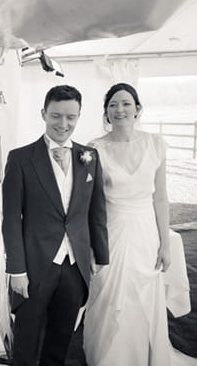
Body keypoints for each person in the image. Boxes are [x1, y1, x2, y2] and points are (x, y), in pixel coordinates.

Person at [83, 83, 195, 365]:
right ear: (106, 113)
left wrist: (165, 244)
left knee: (144, 294)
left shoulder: (155, 144)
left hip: (146, 231)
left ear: (137, 109)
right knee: (108, 294)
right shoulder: (94, 149)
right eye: (113, 105)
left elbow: (160, 197)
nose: (119, 109)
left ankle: (145, 354)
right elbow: (88, 204)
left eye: (126, 103)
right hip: (111, 230)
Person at [1, 85, 109, 366]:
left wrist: (99, 256)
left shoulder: (90, 157)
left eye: (71, 117)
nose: (64, 124)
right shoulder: (20, 158)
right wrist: (16, 270)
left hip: (75, 266)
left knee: (62, 337)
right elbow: (11, 219)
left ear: (79, 116)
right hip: (35, 265)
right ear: (43, 114)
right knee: (27, 337)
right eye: (56, 116)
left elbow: (96, 210)